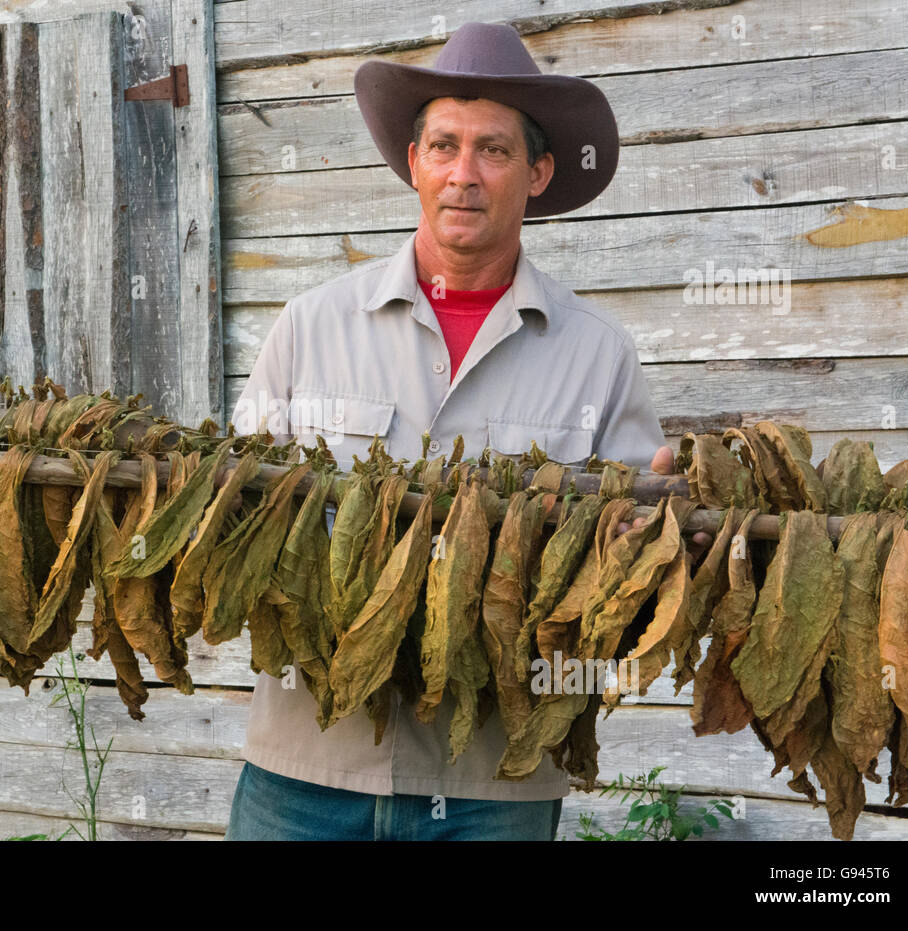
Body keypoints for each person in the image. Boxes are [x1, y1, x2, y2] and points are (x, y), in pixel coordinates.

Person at [225, 21, 711, 841]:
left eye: (493, 149)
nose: (463, 174)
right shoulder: (308, 329)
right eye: (443, 145)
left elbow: (628, 571)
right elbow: (231, 518)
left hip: (492, 788)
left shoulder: (598, 356)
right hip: (306, 772)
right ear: (413, 162)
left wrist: (652, 542)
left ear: (538, 172)